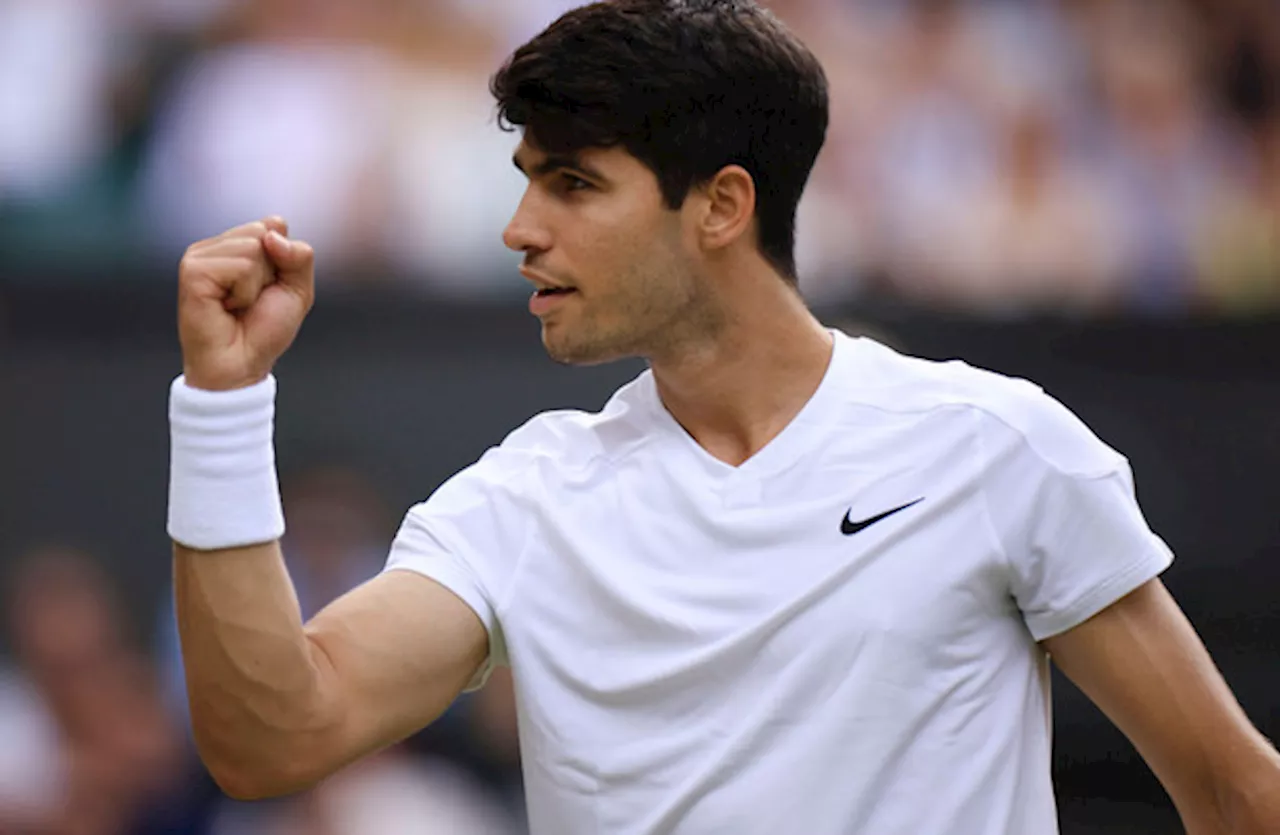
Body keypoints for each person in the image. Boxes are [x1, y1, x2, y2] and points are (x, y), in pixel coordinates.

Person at [165, 2, 1280, 833]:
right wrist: (221, 402)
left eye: (573, 184)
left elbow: (1233, 791)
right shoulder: (522, 500)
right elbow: (274, 737)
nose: (518, 227)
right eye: (524, 181)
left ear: (721, 205)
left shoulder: (995, 448)